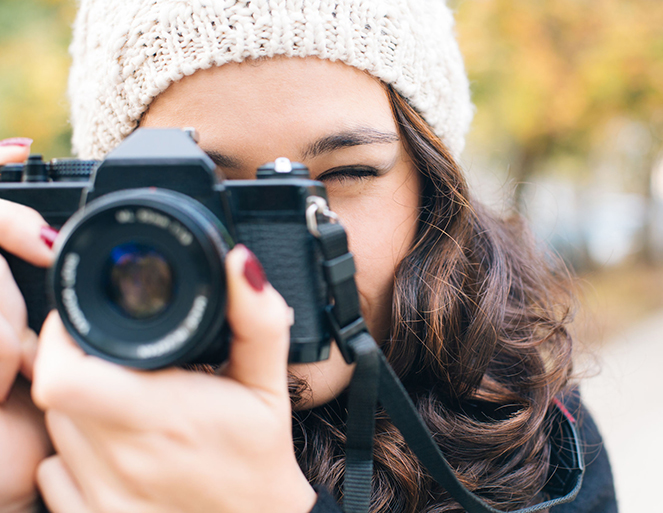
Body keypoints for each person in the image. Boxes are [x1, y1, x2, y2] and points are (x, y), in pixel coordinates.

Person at [0, 1, 617, 512]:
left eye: (345, 173)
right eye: (208, 195)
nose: (272, 275)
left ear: (432, 190)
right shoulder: (42, 400)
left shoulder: (525, 429)